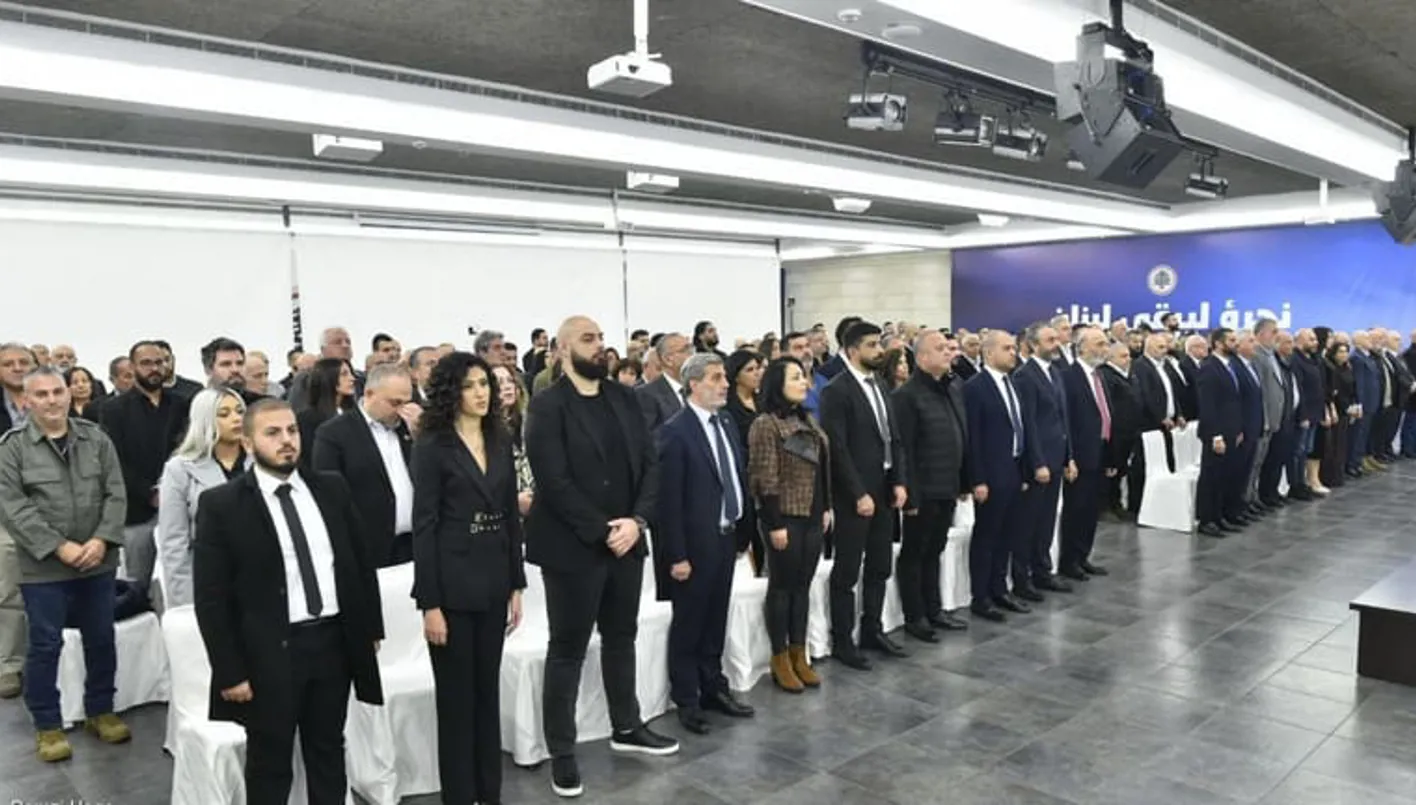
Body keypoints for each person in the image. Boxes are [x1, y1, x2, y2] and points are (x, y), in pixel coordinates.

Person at [192, 399, 384, 805]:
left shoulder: (330, 488)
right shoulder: (223, 505)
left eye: (292, 431)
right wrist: (230, 671)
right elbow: (211, 599)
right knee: (271, 759)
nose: (286, 441)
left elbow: (358, 564)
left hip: (332, 642)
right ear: (248, 443)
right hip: (269, 651)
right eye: (273, 433)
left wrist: (369, 630)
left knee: (328, 748)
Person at [525, 316, 677, 799]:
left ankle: (626, 725)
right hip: (573, 547)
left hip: (627, 540)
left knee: (621, 636)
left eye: (601, 338)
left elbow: (650, 464)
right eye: (587, 339)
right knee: (567, 650)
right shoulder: (548, 406)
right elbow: (553, 479)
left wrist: (637, 521)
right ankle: (562, 752)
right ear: (562, 349)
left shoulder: (624, 398)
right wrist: (602, 530)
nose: (599, 346)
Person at [410, 352, 525, 805]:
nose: (481, 393)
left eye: (485, 384)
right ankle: (459, 796)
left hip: (494, 582)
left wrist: (516, 584)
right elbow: (425, 525)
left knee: (486, 694)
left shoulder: (499, 437)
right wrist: (430, 603)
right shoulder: (432, 446)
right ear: (450, 392)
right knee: (456, 702)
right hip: (451, 588)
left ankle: (489, 793)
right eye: (470, 385)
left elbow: (511, 516)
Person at [0, 367, 130, 762]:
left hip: (97, 560)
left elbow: (116, 493)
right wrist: (59, 547)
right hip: (43, 569)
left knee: (101, 638)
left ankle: (100, 710)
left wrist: (101, 539)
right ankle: (48, 725)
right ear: (26, 401)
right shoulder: (12, 448)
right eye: (41, 394)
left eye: (58, 391)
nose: (52, 400)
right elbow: (14, 508)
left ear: (69, 394)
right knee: (45, 644)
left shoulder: (96, 439)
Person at [653, 352, 754, 735]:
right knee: (689, 624)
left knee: (716, 619)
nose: (725, 384)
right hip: (694, 547)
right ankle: (688, 698)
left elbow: (735, 476)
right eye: (715, 378)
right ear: (693, 384)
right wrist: (677, 555)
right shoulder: (675, 432)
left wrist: (743, 531)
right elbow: (669, 502)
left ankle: (714, 687)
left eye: (724, 377)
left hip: (725, 538)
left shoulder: (725, 422)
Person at [819, 320, 908, 668]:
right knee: (847, 570)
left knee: (880, 565)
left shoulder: (881, 385)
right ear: (852, 350)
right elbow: (837, 448)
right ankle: (843, 639)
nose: (879, 351)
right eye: (872, 345)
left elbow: (893, 437)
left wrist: (899, 480)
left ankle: (873, 628)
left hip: (884, 488)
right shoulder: (836, 391)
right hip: (854, 493)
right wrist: (857, 492)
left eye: (879, 344)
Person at [749, 357, 830, 692]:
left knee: (802, 587)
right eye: (795, 377)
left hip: (812, 515)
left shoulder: (806, 418)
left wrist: (826, 507)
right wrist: (774, 523)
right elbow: (763, 478)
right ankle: (780, 656)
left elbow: (821, 469)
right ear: (777, 384)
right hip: (784, 517)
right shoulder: (765, 424)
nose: (804, 383)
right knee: (781, 587)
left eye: (804, 377)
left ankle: (800, 653)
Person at [100, 340, 193, 605]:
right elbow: (114, 460)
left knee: (182, 577)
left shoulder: (181, 404)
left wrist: (172, 490)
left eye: (160, 362)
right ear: (132, 367)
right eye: (147, 363)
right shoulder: (114, 409)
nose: (155, 368)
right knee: (137, 585)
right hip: (137, 511)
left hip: (180, 502)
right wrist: (149, 493)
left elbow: (187, 449)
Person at [892, 330, 969, 642]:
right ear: (922, 357)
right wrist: (909, 493)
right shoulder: (907, 396)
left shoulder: (951, 388)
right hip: (922, 489)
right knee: (915, 552)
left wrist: (963, 480)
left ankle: (934, 609)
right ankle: (915, 615)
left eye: (948, 348)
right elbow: (904, 448)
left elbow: (960, 435)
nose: (948, 353)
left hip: (947, 484)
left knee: (935, 549)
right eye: (940, 349)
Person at [313, 364, 420, 567]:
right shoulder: (335, 433)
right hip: (369, 548)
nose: (402, 410)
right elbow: (329, 496)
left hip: (416, 544)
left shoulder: (410, 428)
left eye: (407, 402)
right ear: (370, 394)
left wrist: (422, 435)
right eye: (395, 403)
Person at [157, 388, 247, 608]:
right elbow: (174, 542)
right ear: (204, 420)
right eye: (224, 414)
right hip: (209, 582)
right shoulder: (179, 469)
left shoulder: (259, 461)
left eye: (240, 411)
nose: (236, 419)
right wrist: (185, 601)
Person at [963, 330, 1029, 622]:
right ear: (989, 353)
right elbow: (973, 438)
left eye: (1014, 348)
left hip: (1013, 469)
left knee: (1008, 534)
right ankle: (981, 596)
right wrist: (978, 479)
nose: (1013, 353)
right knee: (987, 536)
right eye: (1007, 348)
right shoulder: (975, 388)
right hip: (991, 473)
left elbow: (1017, 427)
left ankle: (1000, 588)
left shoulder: (1010, 383)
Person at [1009, 321, 1076, 602]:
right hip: (1040, 462)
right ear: (1033, 345)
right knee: (1029, 522)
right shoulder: (1025, 376)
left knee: (1047, 520)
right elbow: (1029, 424)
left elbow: (1063, 418)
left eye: (1056, 339)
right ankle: (1022, 578)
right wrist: (1038, 462)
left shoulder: (1055, 373)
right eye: (1049, 340)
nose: (1056, 344)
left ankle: (1042, 570)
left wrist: (1069, 457)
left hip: (1057, 456)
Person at [1059, 326, 1112, 580]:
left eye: (1105, 343)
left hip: (1100, 450)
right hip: (1080, 454)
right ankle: (1069, 561)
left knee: (1091, 509)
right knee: (1076, 509)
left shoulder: (1099, 375)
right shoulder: (1069, 377)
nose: (1105, 349)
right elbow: (1066, 420)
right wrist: (1068, 456)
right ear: (1082, 348)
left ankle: (1083, 555)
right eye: (1099, 344)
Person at [1195, 328, 1245, 538]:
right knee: (1212, 476)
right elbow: (1208, 405)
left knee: (1226, 475)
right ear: (1218, 343)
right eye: (1231, 340)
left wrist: (1238, 429)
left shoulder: (1229, 366)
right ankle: (1207, 520)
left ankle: (1219, 515)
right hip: (1216, 433)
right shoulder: (1209, 368)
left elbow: (1233, 401)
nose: (1236, 344)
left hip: (1231, 430)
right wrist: (1215, 435)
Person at [723, 349, 765, 575]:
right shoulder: (728, 408)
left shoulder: (763, 401)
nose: (757, 373)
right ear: (736, 375)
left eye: (758, 368)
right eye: (750, 370)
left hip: (767, 475)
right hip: (744, 475)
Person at [296, 358, 356, 473]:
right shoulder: (307, 419)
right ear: (329, 378)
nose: (352, 378)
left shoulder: (354, 413)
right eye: (344, 374)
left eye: (351, 373)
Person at [491, 364, 535, 517]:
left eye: (510, 381)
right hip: (504, 511)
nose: (507, 386)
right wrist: (513, 501)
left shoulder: (528, 422)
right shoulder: (485, 431)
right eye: (499, 383)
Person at [636, 332, 691, 434]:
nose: (692, 355)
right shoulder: (646, 394)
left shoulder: (697, 390)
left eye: (691, 349)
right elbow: (649, 437)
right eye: (685, 350)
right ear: (668, 359)